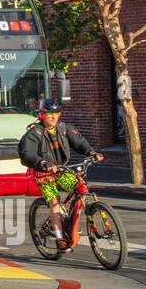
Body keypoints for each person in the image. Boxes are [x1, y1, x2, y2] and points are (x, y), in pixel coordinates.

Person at [18, 98, 103, 248]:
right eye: (49, 114)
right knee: (55, 203)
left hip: (60, 170)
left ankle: (70, 222)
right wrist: (43, 163)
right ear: (42, 115)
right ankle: (59, 238)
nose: (53, 117)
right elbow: (27, 153)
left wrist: (91, 152)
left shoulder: (64, 128)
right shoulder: (34, 133)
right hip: (42, 172)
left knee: (81, 188)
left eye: (56, 114)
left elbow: (79, 141)